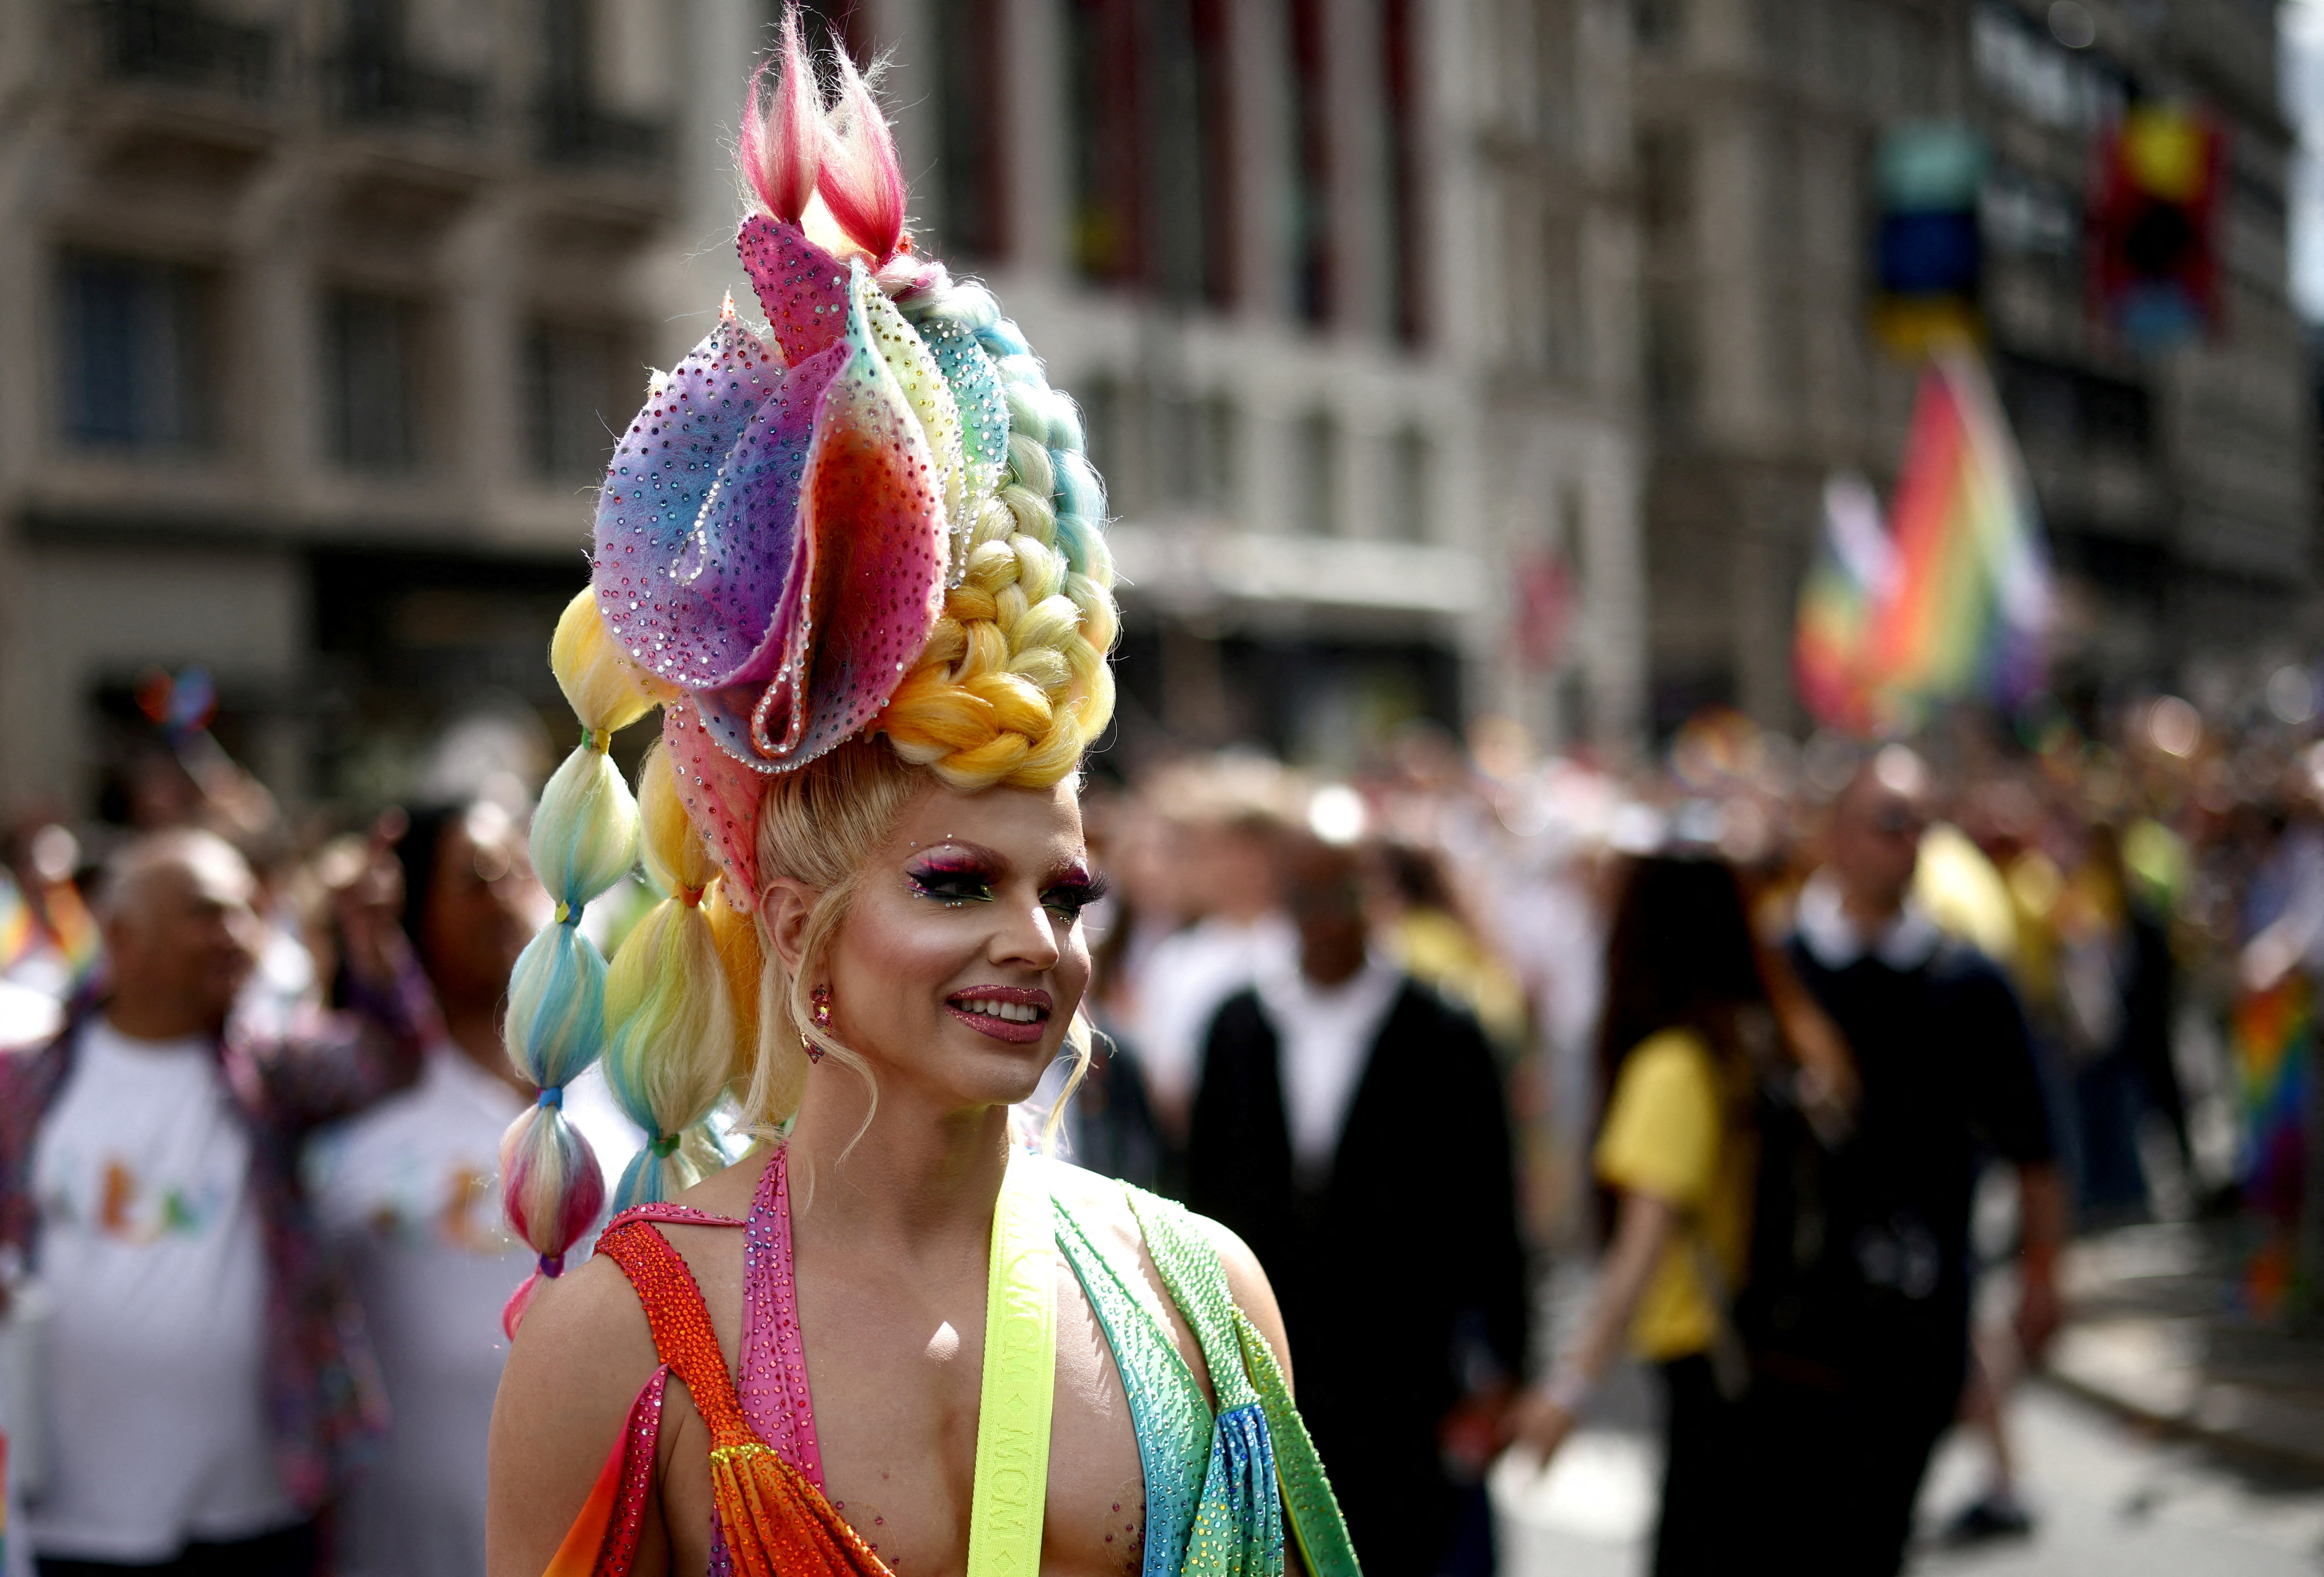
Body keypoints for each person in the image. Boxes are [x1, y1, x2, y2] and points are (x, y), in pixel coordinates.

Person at [483, 18, 1358, 1574]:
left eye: (1065, 890)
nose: (1037, 938)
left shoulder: (1199, 1296)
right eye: (957, 882)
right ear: (802, 923)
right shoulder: (620, 1335)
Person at [0, 827, 430, 1576]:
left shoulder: (270, 1072)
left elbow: (392, 1055)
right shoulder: (26, 1083)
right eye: (205, 912)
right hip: (70, 1515)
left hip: (253, 1508)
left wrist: (370, 943)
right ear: (123, 935)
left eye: (245, 911)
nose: (235, 933)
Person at [1186, 834, 1527, 1576]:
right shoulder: (1238, 1025)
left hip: (1406, 1363)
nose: (1328, 921)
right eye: (1309, 899)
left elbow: (1489, 1204)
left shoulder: (1444, 1029)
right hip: (1269, 1358)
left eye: (1344, 897)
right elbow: (1199, 1192)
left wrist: (1505, 1362)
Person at [1506, 854, 1848, 1577]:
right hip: (1764, 1347)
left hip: (1708, 1355)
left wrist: (1569, 1386)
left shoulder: (1671, 1066)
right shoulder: (1760, 1039)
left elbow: (1640, 1245)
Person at [1768, 747, 2065, 1575]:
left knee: (1874, 1528)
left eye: (1919, 827)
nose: (1904, 845)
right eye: (1887, 823)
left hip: (1917, 1309)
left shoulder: (1964, 981)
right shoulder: (1777, 966)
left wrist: (2042, 1271)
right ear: (1834, 834)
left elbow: (2032, 1144)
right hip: (1793, 1313)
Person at [302, 803, 544, 1577]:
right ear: (408, 907)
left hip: (594, 1522)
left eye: (519, 871)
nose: (505, 895)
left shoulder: (621, 1079)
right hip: (402, 1535)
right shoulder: (349, 1096)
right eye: (475, 879)